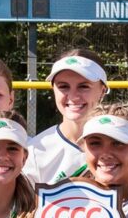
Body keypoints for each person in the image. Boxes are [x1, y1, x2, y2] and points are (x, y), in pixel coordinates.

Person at [25, 50, 109, 183]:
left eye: (83, 86)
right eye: (63, 86)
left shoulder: (124, 145)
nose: (73, 96)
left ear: (102, 91)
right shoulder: (36, 152)